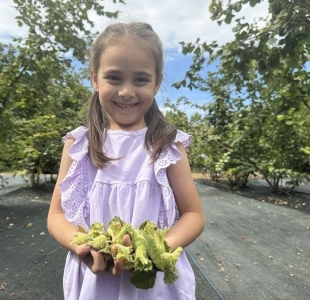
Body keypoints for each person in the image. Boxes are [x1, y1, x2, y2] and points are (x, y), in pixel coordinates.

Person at [48, 22, 205, 300]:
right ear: (95, 78)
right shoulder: (78, 145)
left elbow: (193, 215)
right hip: (95, 280)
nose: (127, 92)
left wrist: (153, 250)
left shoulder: (168, 145)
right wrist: (83, 248)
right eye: (114, 78)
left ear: (157, 82)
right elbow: (57, 216)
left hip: (153, 282)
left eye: (141, 79)